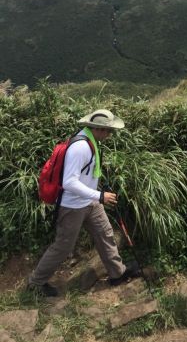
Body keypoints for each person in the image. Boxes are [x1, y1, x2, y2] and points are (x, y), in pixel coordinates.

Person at [28, 109, 137, 296]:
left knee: (105, 233)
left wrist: (96, 195)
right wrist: (100, 196)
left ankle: (117, 273)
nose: (110, 135)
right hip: (72, 206)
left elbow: (85, 175)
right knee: (63, 246)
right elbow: (69, 182)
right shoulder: (81, 148)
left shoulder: (90, 141)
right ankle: (36, 284)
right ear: (98, 130)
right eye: (108, 131)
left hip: (90, 202)